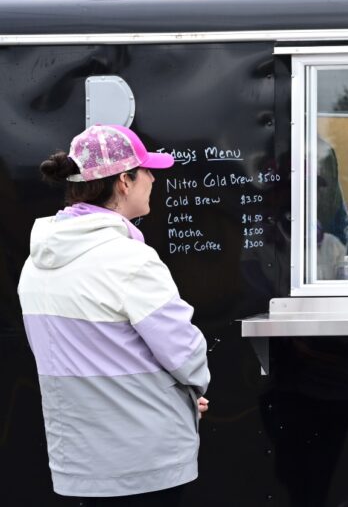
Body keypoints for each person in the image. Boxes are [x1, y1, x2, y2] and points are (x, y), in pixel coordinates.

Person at [18, 124, 211, 506]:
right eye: (146, 170)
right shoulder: (130, 260)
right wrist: (190, 395)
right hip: (146, 462)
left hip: (79, 462)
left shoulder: (35, 263)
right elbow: (185, 355)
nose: (153, 178)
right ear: (124, 181)